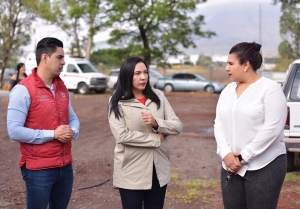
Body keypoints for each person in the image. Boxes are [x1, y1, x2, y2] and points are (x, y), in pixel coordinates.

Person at [7, 37, 80, 209]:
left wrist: (73, 131)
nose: (64, 62)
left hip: (65, 167)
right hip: (38, 170)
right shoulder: (23, 89)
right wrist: (53, 134)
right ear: (45, 58)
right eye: (59, 57)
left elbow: (73, 118)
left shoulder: (61, 87)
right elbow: (14, 131)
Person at [214, 42, 287, 209]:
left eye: (231, 63)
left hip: (265, 165)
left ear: (246, 64)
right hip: (230, 166)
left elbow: (272, 129)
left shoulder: (270, 89)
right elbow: (218, 124)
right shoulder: (227, 91)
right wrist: (225, 154)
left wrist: (242, 157)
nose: (226, 68)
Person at [108, 56, 183, 209]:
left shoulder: (158, 96)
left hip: (158, 170)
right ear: (127, 75)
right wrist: (156, 139)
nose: (143, 77)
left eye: (145, 72)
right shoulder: (117, 101)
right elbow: (122, 136)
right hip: (131, 172)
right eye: (137, 73)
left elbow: (177, 126)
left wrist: (157, 123)